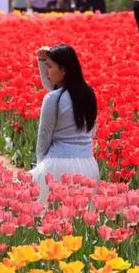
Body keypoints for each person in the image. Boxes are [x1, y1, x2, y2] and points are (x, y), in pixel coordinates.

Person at [31, 44, 98, 203]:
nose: (46, 71)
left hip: (57, 166)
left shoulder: (53, 98)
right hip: (89, 166)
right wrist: (42, 60)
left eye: (49, 67)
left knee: (50, 217)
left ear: (64, 71)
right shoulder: (88, 95)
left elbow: (44, 137)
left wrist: (40, 168)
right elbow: (93, 130)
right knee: (79, 219)